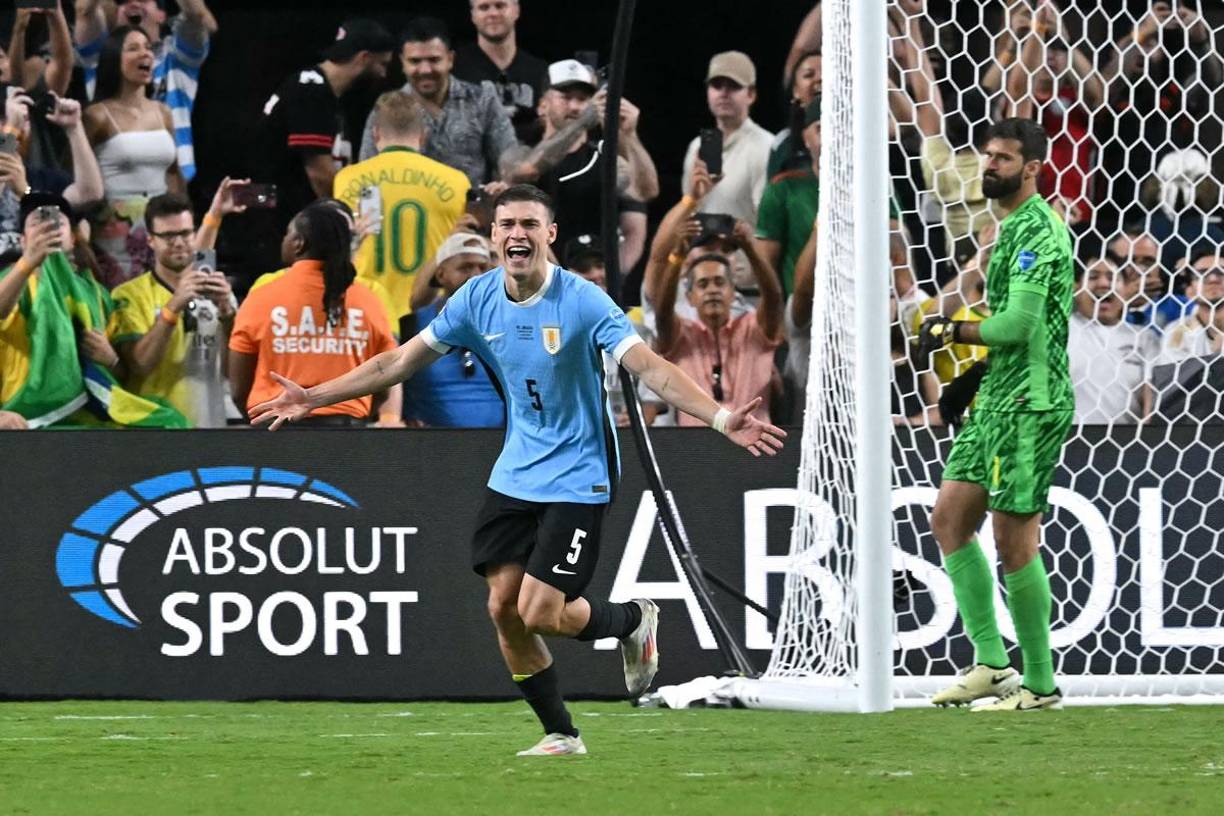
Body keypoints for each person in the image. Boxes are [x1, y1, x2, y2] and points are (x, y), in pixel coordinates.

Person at [247, 184, 785, 755]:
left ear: (549, 235)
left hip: (582, 472)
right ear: (494, 236)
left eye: (530, 224)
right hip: (516, 472)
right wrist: (313, 396)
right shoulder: (477, 299)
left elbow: (651, 368)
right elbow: (398, 361)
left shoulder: (583, 301)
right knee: (503, 608)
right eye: (506, 225)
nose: (517, 234)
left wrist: (723, 418)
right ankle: (561, 733)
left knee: (541, 610)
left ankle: (629, 620)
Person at [916, 118, 1075, 711]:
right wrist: (971, 378)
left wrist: (950, 329)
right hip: (998, 399)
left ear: (1032, 168)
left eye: (1004, 159)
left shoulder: (1036, 231)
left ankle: (1040, 684)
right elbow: (1015, 330)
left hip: (1031, 405)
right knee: (949, 519)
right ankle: (991, 663)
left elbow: (1020, 326)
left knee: (1015, 544)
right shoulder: (1003, 231)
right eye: (987, 156)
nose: (990, 167)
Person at [1, 192, 186, 428]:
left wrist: (111, 359)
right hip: (24, 418)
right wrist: (28, 262)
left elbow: (119, 376)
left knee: (169, 421)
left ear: (73, 238)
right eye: (37, 224)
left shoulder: (96, 294)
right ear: (24, 240)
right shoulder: (11, 282)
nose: (47, 229)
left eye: (57, 222)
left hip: (85, 418)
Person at [228, 202, 400, 428]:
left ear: (299, 243)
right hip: (347, 435)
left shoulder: (263, 296)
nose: (284, 240)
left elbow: (239, 387)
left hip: (274, 432)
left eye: (288, 234)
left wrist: (259, 420)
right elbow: (385, 379)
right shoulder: (369, 301)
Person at [254, 17, 395, 265]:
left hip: (296, 221)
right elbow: (318, 171)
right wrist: (350, 219)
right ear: (363, 58)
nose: (384, 73)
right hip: (284, 226)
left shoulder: (327, 94)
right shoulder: (310, 90)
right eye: (382, 64)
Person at [500, 59, 658, 276]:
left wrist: (630, 136)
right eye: (566, 97)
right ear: (543, 104)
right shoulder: (519, 151)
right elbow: (524, 171)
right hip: (532, 279)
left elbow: (646, 192)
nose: (575, 107)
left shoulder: (603, 158)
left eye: (583, 99)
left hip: (589, 280)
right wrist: (583, 121)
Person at [334, 90, 468, 325]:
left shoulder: (346, 180)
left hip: (367, 314)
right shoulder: (457, 182)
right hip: (430, 318)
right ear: (423, 136)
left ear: (375, 135)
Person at [108, 192, 235, 428]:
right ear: (150, 240)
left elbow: (232, 373)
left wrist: (228, 316)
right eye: (168, 236)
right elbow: (140, 365)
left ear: (195, 234)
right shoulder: (128, 295)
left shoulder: (219, 291)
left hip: (210, 425)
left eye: (185, 233)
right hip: (154, 429)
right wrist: (173, 307)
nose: (178, 242)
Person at [358, 17, 516, 190]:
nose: (425, 70)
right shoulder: (385, 109)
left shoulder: (482, 100)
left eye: (434, 60)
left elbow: (508, 158)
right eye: (415, 61)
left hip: (471, 213)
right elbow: (366, 174)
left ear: (450, 59)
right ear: (402, 62)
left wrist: (504, 185)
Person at [654, 218, 784, 426]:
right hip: (694, 451)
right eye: (703, 284)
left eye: (720, 282)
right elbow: (662, 312)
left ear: (733, 293)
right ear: (690, 298)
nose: (712, 290)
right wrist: (678, 255)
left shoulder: (754, 329)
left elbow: (774, 297)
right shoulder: (681, 337)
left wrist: (750, 248)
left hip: (756, 447)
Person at [82, 25, 183, 288]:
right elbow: (77, 176)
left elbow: (173, 173)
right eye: (133, 48)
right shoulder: (96, 115)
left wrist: (181, 218)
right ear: (114, 58)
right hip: (114, 232)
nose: (145, 54)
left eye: (148, 48)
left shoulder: (163, 112)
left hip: (160, 227)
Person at [74, 0, 217, 182]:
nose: (133, 3)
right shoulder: (100, 57)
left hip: (171, 192)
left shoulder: (177, 58)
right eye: (122, 1)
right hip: (112, 189)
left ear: (161, 15)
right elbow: (84, 9)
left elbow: (196, 16)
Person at [401, 232, 503, 428]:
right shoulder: (412, 325)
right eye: (465, 267)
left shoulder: (507, 323)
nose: (475, 275)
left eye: (483, 268)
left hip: (496, 448)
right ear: (441, 274)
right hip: (429, 448)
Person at [0, 92, 105, 263]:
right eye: (4, 120)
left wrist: (74, 128)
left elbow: (91, 194)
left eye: (24, 120)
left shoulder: (43, 178)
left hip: (41, 281)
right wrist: (10, 129)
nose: (20, 126)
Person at [680, 51, 773, 225]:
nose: (724, 93)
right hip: (701, 250)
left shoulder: (766, 146)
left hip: (744, 251)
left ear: (751, 94)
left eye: (733, 85)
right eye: (716, 85)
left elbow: (767, 224)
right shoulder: (696, 146)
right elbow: (687, 214)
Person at [1067, 257, 1156, 425]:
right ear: (1076, 288)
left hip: (1125, 443)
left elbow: (1151, 398)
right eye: (1093, 277)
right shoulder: (1060, 330)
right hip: (1069, 438)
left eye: (1112, 278)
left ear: (1125, 290)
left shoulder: (1144, 338)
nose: (1103, 284)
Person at [453, 0, 547, 143]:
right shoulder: (454, 68)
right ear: (473, 15)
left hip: (527, 159)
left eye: (500, 6)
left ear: (516, 10)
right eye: (484, 8)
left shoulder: (540, 71)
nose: (493, 13)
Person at [755, 96, 820, 296]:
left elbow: (898, 246)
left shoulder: (876, 183)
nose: (833, 137)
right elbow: (765, 265)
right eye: (821, 129)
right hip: (800, 309)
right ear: (805, 138)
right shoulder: (783, 188)